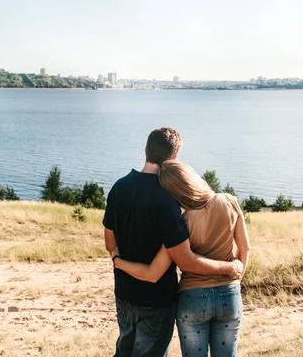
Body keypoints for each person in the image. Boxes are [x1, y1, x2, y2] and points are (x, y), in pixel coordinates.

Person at [103, 128, 243, 357]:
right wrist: (230, 267)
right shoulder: (167, 199)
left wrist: (117, 260)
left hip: (124, 294)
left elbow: (110, 241)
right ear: (174, 158)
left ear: (146, 150)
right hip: (156, 301)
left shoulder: (119, 186)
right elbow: (186, 261)